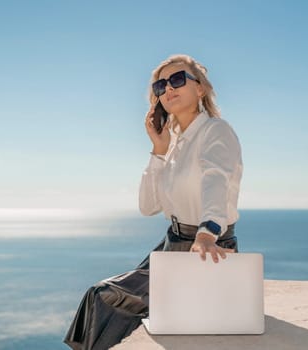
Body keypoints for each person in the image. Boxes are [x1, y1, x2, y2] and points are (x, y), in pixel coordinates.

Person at [62, 53, 243, 350]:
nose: (168, 89)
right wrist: (158, 151)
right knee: (105, 299)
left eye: (177, 79)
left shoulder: (216, 131)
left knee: (105, 297)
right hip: (171, 244)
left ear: (201, 89)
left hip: (205, 248)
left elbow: (217, 181)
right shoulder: (173, 141)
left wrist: (207, 232)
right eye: (160, 86)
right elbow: (148, 206)